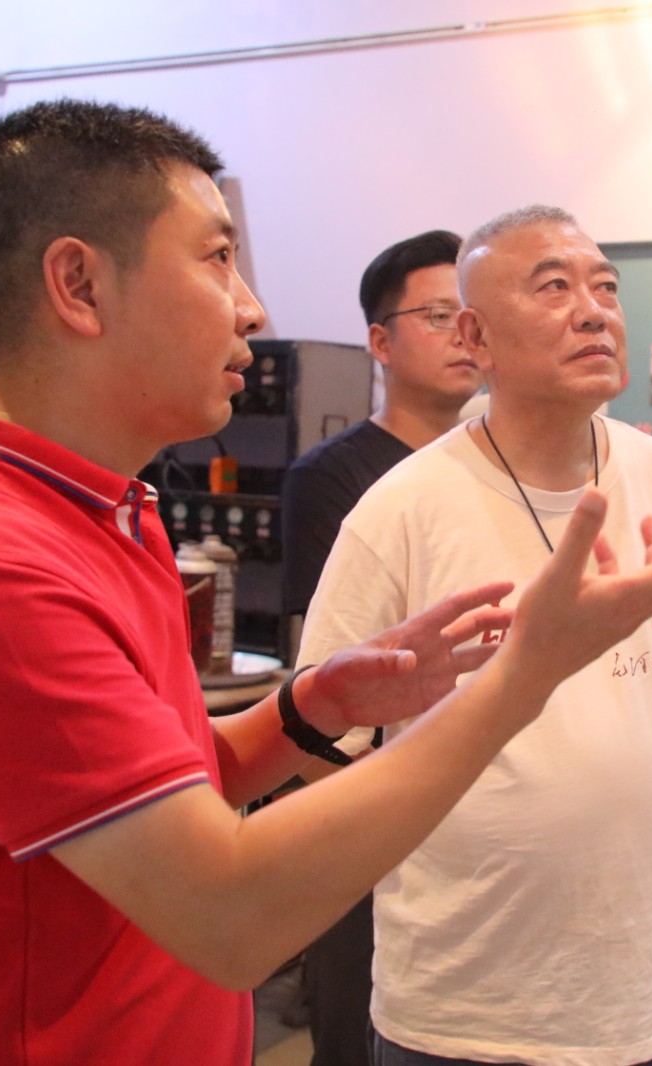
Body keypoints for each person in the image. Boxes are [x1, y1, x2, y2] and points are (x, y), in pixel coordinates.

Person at [0, 103, 652, 1066]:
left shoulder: (103, 513)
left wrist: (310, 708)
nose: (252, 308)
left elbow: (168, 784)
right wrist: (523, 676)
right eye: (217, 259)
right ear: (80, 286)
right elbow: (231, 915)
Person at [297, 204, 652, 1066]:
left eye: (605, 287)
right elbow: (323, 743)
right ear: (476, 335)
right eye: (553, 288)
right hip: (460, 1002)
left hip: (638, 995)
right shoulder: (402, 507)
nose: (593, 311)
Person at [279, 228, 480, 1066]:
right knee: (359, 1029)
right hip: (372, 800)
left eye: (470, 315)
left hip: (476, 813)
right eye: (437, 315)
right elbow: (328, 666)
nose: (461, 334)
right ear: (380, 341)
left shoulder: (494, 470)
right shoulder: (333, 476)